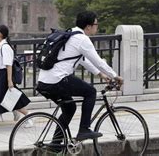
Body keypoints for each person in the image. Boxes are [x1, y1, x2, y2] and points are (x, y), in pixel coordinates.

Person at [36, 11, 124, 142]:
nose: (97, 26)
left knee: (70, 108)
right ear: (88, 26)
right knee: (90, 92)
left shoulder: (70, 33)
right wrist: (115, 76)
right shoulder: (82, 39)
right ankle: (84, 129)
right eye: (96, 24)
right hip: (58, 80)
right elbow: (98, 61)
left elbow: (83, 60)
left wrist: (100, 74)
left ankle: (55, 144)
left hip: (44, 81)